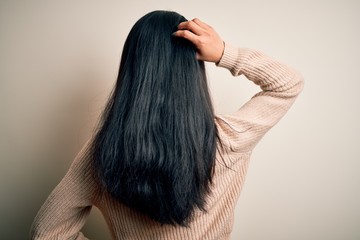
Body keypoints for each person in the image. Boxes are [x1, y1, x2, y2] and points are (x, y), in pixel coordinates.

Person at [30, 10, 303, 240]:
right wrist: (222, 52)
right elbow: (288, 84)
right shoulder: (228, 139)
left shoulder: (103, 152)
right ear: (190, 71)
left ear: (132, 69)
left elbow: (46, 232)